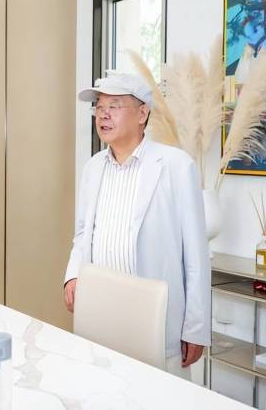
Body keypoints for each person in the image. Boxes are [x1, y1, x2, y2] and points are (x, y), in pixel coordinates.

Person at [64, 72, 211, 379]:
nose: (103, 114)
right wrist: (73, 275)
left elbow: (196, 255)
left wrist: (196, 328)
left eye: (114, 106)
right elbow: (83, 232)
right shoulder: (93, 167)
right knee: (101, 387)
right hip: (101, 306)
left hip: (151, 314)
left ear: (142, 113)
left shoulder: (176, 166)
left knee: (155, 392)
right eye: (99, 106)